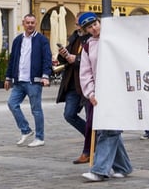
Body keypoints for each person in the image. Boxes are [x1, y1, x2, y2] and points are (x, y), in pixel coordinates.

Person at [78, 12, 133, 181]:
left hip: (118, 89)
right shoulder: (88, 46)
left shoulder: (115, 38)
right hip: (100, 92)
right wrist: (90, 93)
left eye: (95, 24)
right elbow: (85, 72)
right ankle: (123, 167)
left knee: (109, 129)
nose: (93, 28)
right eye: (89, 27)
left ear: (99, 22)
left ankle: (100, 170)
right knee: (108, 128)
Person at [5, 14, 53, 147]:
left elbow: (47, 59)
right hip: (19, 81)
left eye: (32, 22)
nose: (30, 25)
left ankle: (39, 137)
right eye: (28, 22)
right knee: (12, 103)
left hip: (34, 81)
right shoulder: (17, 40)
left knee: (36, 109)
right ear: (23, 23)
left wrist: (45, 75)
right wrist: (8, 77)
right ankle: (25, 130)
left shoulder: (42, 40)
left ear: (35, 23)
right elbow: (13, 60)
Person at [56, 22, 91, 163]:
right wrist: (63, 55)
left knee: (91, 120)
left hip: (86, 85)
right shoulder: (74, 37)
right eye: (76, 23)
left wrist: (75, 59)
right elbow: (65, 59)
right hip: (72, 84)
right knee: (69, 114)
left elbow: (93, 60)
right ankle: (93, 139)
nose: (77, 26)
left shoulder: (91, 39)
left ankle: (88, 151)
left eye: (79, 23)